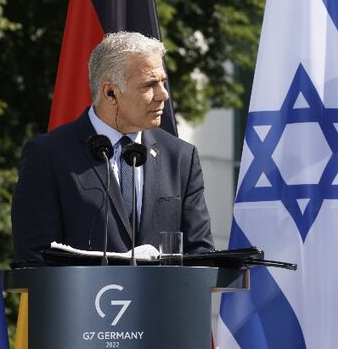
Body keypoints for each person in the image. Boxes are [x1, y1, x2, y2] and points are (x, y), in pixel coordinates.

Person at [12, 31, 213, 261]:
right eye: (150, 85)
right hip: (83, 297)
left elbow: (201, 253)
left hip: (162, 297)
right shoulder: (48, 155)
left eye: (163, 83)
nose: (163, 95)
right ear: (110, 92)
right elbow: (34, 257)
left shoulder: (181, 157)